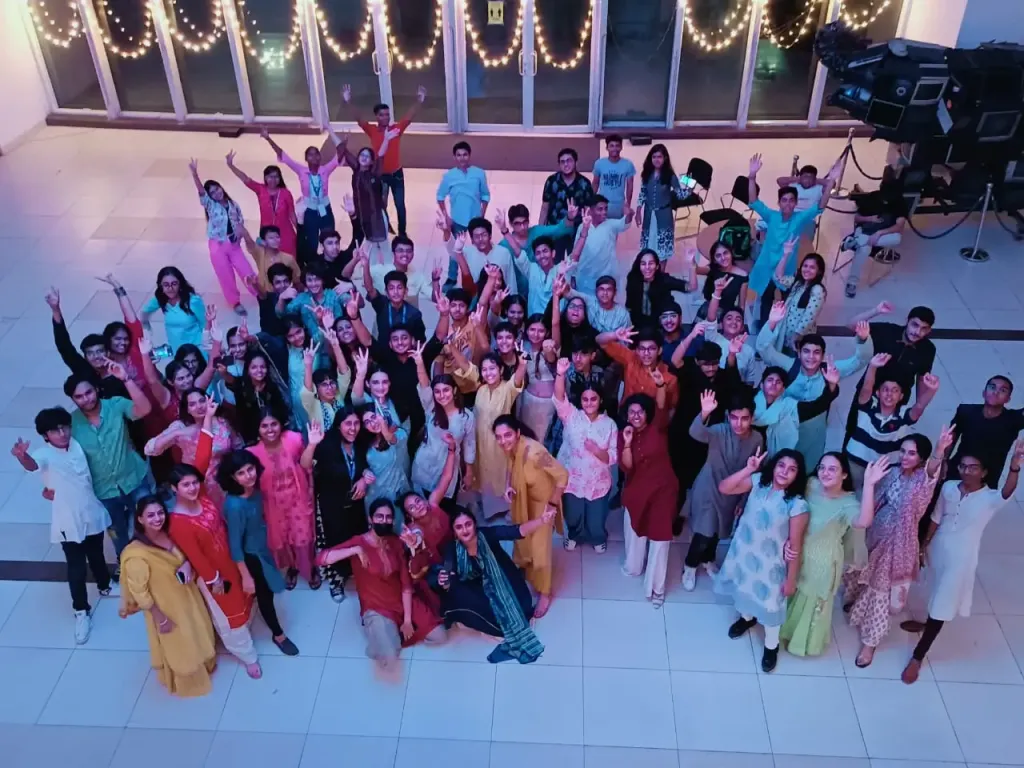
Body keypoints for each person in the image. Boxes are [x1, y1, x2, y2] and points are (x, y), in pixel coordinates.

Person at [900, 441, 1023, 684]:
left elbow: (1007, 492)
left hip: (961, 558)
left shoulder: (989, 498)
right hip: (937, 549)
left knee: (943, 602)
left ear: (984, 472)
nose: (967, 471)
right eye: (963, 466)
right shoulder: (948, 488)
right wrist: (924, 546)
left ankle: (917, 656)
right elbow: (936, 517)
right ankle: (926, 622)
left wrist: (1014, 466)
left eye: (973, 467)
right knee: (933, 589)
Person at [843, 427, 952, 668]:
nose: (905, 457)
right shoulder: (892, 472)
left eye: (911, 453)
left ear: (922, 458)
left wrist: (940, 449)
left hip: (897, 544)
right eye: (902, 451)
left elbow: (933, 468)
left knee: (880, 591)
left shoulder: (924, 481)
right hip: (875, 533)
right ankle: (856, 603)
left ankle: (870, 643)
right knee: (860, 570)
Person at [165, 416, 261, 679]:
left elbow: (202, 459)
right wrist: (213, 579)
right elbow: (196, 556)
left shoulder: (203, 495)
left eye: (194, 482)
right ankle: (247, 655)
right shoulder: (178, 522)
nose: (192, 487)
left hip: (232, 557)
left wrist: (207, 418)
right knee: (229, 616)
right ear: (174, 489)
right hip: (216, 574)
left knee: (245, 597)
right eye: (185, 485)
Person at [11, 408, 114, 645]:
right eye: (55, 431)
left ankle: (105, 586)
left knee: (97, 553)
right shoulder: (44, 454)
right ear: (45, 435)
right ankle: (81, 611)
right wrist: (22, 456)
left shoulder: (77, 444)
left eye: (64, 427)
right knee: (76, 567)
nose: (62, 433)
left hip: (91, 511)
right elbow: (32, 465)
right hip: (68, 520)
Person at [316, 499, 447, 669]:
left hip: (401, 601)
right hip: (377, 608)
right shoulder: (359, 542)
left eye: (388, 517)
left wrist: (407, 620)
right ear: (370, 519)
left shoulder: (395, 542)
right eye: (379, 517)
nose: (384, 521)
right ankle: (382, 638)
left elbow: (406, 583)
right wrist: (355, 550)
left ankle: (393, 635)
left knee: (440, 637)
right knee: (390, 660)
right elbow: (321, 559)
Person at [716, 448, 810, 673]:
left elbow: (795, 546)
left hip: (771, 566)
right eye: (781, 465)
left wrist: (791, 579)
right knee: (744, 590)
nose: (784, 472)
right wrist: (748, 469)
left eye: (792, 469)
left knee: (770, 607)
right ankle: (747, 618)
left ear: (798, 475)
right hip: (745, 553)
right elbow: (724, 488)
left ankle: (771, 646)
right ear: (773, 466)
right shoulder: (759, 481)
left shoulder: (797, 505)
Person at [780, 453, 879, 657]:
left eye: (832, 469)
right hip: (798, 552)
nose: (825, 473)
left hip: (822, 562)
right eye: (822, 467)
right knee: (793, 591)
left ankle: (802, 643)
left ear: (844, 475)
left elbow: (863, 521)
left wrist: (869, 485)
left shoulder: (848, 503)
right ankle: (783, 630)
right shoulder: (811, 485)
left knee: (810, 600)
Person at [119, 496, 217, 697]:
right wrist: (160, 618)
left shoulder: (170, 533)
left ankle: (205, 663)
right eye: (150, 515)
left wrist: (187, 564)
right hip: (166, 607)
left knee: (197, 629)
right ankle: (188, 681)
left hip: (187, 595)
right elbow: (140, 593)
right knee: (179, 642)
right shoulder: (136, 555)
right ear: (140, 519)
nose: (157, 519)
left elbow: (186, 554)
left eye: (160, 513)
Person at [431, 506, 556, 663]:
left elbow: (517, 531)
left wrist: (542, 520)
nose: (465, 530)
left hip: (502, 579)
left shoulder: (486, 535)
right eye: (459, 527)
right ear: (454, 531)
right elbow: (449, 576)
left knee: (523, 609)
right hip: (476, 589)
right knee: (497, 625)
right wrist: (444, 580)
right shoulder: (452, 549)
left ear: (475, 525)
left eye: (468, 524)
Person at [756, 304, 874, 469]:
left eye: (816, 352)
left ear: (823, 355)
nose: (811, 357)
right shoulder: (790, 366)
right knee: (779, 470)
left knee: (807, 471)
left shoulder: (830, 370)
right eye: (806, 351)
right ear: (799, 353)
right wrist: (772, 323)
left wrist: (863, 340)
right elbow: (764, 350)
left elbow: (860, 360)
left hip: (814, 436)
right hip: (783, 432)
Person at [65, 365, 154, 567]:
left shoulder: (115, 405)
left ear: (97, 389)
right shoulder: (71, 424)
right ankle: (128, 566)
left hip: (134, 478)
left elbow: (144, 409)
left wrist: (126, 379)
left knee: (150, 523)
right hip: (103, 490)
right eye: (79, 396)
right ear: (73, 399)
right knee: (117, 532)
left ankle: (156, 562)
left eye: (88, 392)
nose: (86, 399)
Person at [217, 449, 300, 656]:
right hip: (252, 556)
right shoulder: (235, 506)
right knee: (265, 594)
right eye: (241, 473)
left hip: (263, 547)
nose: (249, 476)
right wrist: (246, 576)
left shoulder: (253, 491)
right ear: (232, 477)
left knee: (268, 588)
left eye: (250, 469)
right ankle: (278, 635)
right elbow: (235, 545)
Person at [684, 391, 765, 591]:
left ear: (752, 418)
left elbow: (754, 473)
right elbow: (696, 432)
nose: (739, 424)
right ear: (728, 416)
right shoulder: (719, 431)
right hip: (709, 488)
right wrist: (704, 413)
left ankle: (708, 560)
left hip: (733, 494)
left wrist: (743, 500)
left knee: (719, 532)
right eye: (734, 418)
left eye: (744, 418)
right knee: (704, 532)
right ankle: (690, 566)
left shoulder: (757, 438)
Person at [746, 153, 839, 328]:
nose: (787, 204)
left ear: (796, 203)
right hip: (767, 266)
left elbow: (821, 205)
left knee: (787, 301)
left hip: (787, 269)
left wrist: (831, 182)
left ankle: (783, 328)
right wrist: (752, 176)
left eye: (791, 201)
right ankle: (765, 329)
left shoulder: (800, 218)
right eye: (784, 201)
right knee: (766, 301)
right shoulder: (771, 216)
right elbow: (753, 201)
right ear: (779, 203)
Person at [493, 414, 568, 618]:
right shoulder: (511, 448)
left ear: (517, 433)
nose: (503, 441)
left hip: (543, 504)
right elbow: (510, 464)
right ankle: (524, 566)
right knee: (521, 537)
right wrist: (508, 486)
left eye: (507, 435)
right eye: (498, 437)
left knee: (540, 549)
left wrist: (552, 504)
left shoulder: (535, 452)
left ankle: (544, 593)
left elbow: (563, 475)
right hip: (522, 498)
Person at [305, 406, 374, 602]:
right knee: (334, 543)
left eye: (356, 423)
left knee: (356, 539)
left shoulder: (360, 443)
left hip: (355, 505)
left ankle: (355, 572)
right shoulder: (327, 444)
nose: (353, 428)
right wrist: (311, 445)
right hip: (332, 506)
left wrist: (364, 478)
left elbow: (362, 466)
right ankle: (336, 581)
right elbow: (304, 464)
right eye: (348, 424)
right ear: (338, 426)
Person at [619, 380, 677, 606]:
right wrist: (627, 442)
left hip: (663, 490)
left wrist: (660, 385)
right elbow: (627, 467)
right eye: (632, 412)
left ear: (647, 414)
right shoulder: (623, 434)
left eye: (640, 412)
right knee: (635, 530)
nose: (636, 416)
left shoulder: (658, 427)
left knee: (660, 539)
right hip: (637, 491)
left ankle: (656, 588)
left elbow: (661, 405)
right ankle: (633, 566)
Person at [341, 82, 426, 237]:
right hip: (380, 175)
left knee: (400, 205)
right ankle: (386, 227)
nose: (386, 117)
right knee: (380, 204)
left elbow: (409, 116)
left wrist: (419, 101)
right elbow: (359, 118)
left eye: (387, 114)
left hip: (397, 174)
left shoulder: (396, 130)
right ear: (377, 117)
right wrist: (348, 101)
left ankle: (402, 233)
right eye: (382, 115)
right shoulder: (372, 130)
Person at [845, 354, 940, 490]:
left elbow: (919, 407)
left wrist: (932, 390)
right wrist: (872, 366)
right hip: (856, 463)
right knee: (854, 496)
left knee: (878, 499)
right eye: (885, 390)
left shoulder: (903, 414)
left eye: (895, 391)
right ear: (878, 393)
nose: (889, 394)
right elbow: (866, 389)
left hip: (886, 468)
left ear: (901, 396)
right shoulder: (868, 406)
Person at [452, 347, 526, 520]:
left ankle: (507, 509)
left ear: (501, 370)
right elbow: (467, 367)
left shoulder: (507, 389)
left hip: (500, 445)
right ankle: (488, 510)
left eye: (492, 368)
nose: (488, 373)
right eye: (484, 369)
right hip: (480, 442)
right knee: (482, 476)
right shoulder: (481, 389)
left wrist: (522, 364)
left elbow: (517, 380)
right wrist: (451, 346)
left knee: (501, 476)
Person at [249, 410, 318, 591]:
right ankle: (293, 568)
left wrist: (311, 445)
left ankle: (310, 569)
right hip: (272, 505)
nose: (270, 429)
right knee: (283, 538)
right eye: (264, 426)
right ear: (257, 429)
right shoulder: (252, 453)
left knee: (304, 536)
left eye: (274, 424)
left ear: (281, 425)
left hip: (298, 498)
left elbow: (306, 465)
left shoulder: (294, 439)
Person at [553, 357, 618, 552]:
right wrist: (560, 374)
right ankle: (574, 535)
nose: (589, 403)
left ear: (601, 400)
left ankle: (597, 538)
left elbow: (613, 456)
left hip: (598, 481)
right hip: (572, 479)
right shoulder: (572, 416)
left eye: (593, 399)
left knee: (596, 517)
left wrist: (597, 451)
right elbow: (559, 398)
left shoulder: (610, 424)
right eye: (585, 399)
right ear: (580, 400)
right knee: (573, 514)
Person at [844, 304, 936, 439]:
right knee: (854, 430)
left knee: (886, 438)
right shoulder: (887, 332)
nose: (917, 332)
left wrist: (918, 407)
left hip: (896, 400)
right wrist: (876, 310)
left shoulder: (928, 349)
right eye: (915, 325)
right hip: (867, 393)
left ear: (929, 330)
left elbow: (922, 378)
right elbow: (851, 325)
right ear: (907, 321)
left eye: (924, 329)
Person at [144, 387, 241, 507]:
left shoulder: (222, 422)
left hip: (224, 481)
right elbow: (150, 449)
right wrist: (176, 433)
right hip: (194, 485)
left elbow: (237, 445)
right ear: (187, 409)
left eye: (202, 401)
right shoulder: (180, 426)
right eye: (192, 404)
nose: (199, 406)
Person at [261, 127, 343, 265]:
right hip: (309, 211)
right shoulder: (301, 170)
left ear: (320, 156)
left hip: (325, 208)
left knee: (329, 237)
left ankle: (331, 264)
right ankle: (313, 266)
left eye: (316, 154)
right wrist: (268, 138)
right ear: (306, 158)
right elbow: (284, 156)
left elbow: (340, 151)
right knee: (311, 241)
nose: (314, 157)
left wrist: (331, 130)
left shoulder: (326, 169)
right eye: (310, 155)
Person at [187, 159, 257, 315]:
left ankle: (259, 293)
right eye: (212, 193)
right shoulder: (210, 205)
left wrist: (241, 236)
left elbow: (240, 222)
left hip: (234, 244)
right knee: (226, 275)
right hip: (217, 246)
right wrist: (195, 174)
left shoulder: (233, 204)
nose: (216, 193)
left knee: (246, 270)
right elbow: (201, 192)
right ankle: (234, 302)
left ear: (221, 188)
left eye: (217, 189)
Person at [411, 346, 476, 498]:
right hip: (424, 467)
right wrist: (419, 362)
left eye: (446, 390)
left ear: (454, 391)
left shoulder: (466, 416)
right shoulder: (431, 408)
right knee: (422, 506)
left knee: (444, 507)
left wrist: (469, 472)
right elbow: (424, 385)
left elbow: (469, 444)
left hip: (448, 470)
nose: (442, 395)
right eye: (437, 392)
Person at [335, 126, 401, 262]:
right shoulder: (356, 170)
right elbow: (343, 150)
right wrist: (330, 128)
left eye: (368, 156)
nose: (364, 158)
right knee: (369, 247)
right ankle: (370, 270)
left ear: (371, 161)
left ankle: (389, 269)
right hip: (362, 216)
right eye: (362, 155)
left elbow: (381, 155)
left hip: (377, 216)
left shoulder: (374, 174)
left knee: (383, 246)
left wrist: (386, 140)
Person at [948, 376, 1024, 489]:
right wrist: (942, 462)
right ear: (984, 392)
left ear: (1008, 399)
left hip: (987, 481)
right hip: (957, 471)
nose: (996, 392)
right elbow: (950, 439)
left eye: (1003, 390)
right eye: (992, 387)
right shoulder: (966, 411)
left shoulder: (1013, 420)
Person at [226, 152, 298, 260]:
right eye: (270, 177)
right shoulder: (260, 189)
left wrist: (300, 231)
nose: (273, 179)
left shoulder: (286, 193)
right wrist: (231, 165)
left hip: (286, 234)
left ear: (280, 178)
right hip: (267, 233)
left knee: (289, 261)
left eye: (276, 177)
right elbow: (245, 179)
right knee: (269, 261)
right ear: (265, 178)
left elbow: (292, 214)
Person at [840, 185, 908, 297]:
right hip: (865, 230)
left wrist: (879, 233)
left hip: (882, 235)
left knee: (897, 238)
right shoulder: (872, 197)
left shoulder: (899, 202)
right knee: (864, 250)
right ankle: (852, 283)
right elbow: (857, 218)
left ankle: (856, 241)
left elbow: (899, 227)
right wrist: (870, 218)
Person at [497, 203, 575, 299]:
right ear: (511, 224)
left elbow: (559, 229)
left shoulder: (537, 232)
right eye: (518, 224)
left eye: (525, 222)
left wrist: (570, 217)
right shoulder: (504, 245)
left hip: (542, 290)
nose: (523, 227)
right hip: (516, 294)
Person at [598, 324, 679, 411]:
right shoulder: (631, 358)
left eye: (651, 348)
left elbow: (671, 407)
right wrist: (614, 335)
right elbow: (601, 341)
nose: (646, 353)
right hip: (626, 416)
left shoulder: (669, 377)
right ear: (636, 350)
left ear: (659, 350)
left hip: (653, 419)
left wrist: (660, 386)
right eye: (642, 348)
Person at [771, 243, 827, 354]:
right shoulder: (798, 283)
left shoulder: (817, 290)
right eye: (805, 266)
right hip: (786, 334)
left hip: (799, 339)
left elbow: (809, 317)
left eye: (812, 267)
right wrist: (785, 255)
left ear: (819, 271)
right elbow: (778, 277)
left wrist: (796, 337)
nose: (807, 270)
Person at [540, 147, 594, 260]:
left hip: (576, 231)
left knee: (575, 262)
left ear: (575, 162)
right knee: (554, 262)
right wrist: (541, 231)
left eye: (569, 160)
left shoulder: (584, 183)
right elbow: (545, 207)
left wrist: (588, 230)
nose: (566, 164)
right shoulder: (551, 181)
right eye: (562, 162)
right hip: (555, 229)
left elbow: (588, 210)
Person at [570, 197, 631, 297]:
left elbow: (625, 223)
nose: (604, 212)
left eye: (606, 209)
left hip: (605, 279)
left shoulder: (611, 225)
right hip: (584, 279)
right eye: (600, 209)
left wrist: (629, 214)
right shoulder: (583, 226)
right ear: (591, 210)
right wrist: (573, 275)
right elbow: (576, 253)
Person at [140, 267, 206, 355]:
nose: (170, 288)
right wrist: (146, 328)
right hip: (177, 352)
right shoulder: (161, 299)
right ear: (161, 286)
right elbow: (144, 312)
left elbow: (205, 324)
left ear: (180, 284)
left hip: (196, 350)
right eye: (166, 285)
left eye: (174, 284)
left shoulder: (193, 301)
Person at [635, 144, 683, 262]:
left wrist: (690, 188)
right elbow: (643, 193)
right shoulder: (647, 174)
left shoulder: (670, 176)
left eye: (659, 157)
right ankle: (650, 267)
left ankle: (661, 271)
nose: (657, 160)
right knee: (649, 244)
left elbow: (680, 195)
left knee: (663, 248)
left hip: (664, 215)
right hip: (649, 215)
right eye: (654, 157)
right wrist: (638, 211)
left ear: (665, 158)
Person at [623, 249, 692, 330]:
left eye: (651, 263)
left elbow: (689, 287)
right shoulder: (633, 279)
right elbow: (629, 305)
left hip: (662, 325)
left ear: (657, 266)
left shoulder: (664, 279)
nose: (647, 267)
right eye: (643, 264)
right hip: (638, 324)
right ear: (639, 266)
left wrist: (692, 265)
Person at [696, 240, 748, 318]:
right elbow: (696, 270)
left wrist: (739, 320)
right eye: (718, 255)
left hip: (726, 316)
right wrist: (692, 260)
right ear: (714, 260)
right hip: (707, 311)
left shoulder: (743, 275)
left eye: (725, 253)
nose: (723, 258)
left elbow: (741, 306)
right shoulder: (712, 269)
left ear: (731, 253)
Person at [591, 134, 636, 220]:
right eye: (611, 146)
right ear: (607, 148)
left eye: (617, 146)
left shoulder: (628, 164)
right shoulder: (599, 163)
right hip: (602, 204)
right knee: (601, 227)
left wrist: (628, 204)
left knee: (617, 228)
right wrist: (591, 202)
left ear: (621, 147)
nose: (614, 148)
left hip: (619, 205)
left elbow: (630, 186)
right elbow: (595, 183)